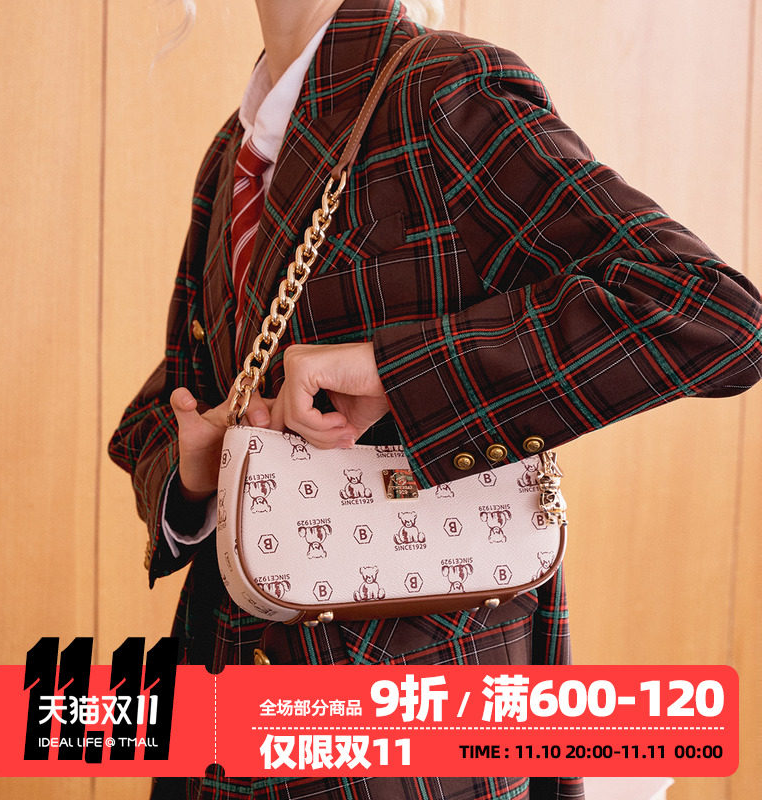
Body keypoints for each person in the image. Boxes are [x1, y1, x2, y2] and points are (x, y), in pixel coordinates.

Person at [108, 1, 762, 798]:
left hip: (411, 727)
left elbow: (709, 312)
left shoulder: (445, 90)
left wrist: (396, 374)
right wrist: (192, 472)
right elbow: (176, 397)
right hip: (225, 712)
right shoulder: (235, 151)